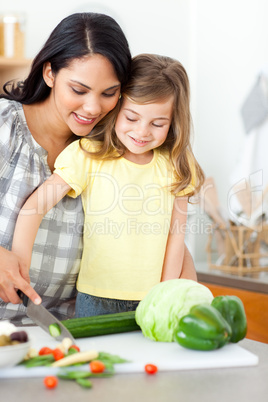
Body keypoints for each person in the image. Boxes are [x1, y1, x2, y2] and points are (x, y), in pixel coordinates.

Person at [11, 54, 205, 318]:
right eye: (132, 118)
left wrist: (166, 293)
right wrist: (19, 267)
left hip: (151, 299)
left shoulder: (177, 167)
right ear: (116, 110)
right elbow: (34, 207)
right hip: (96, 299)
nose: (142, 132)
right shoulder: (89, 155)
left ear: (173, 123)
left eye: (158, 123)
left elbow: (176, 236)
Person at [0, 12, 132, 325]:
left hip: (57, 341)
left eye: (108, 93)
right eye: (78, 89)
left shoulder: (108, 154)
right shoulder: (5, 127)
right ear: (49, 73)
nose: (93, 108)